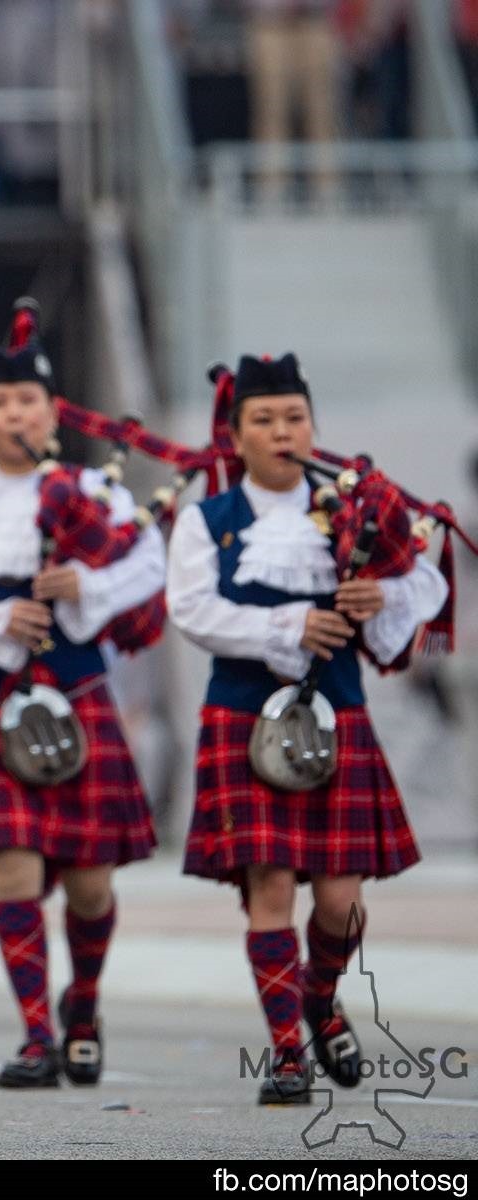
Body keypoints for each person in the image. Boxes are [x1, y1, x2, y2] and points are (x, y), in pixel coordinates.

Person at [165, 353, 448, 1105]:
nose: (281, 431)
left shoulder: (354, 511)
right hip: (241, 719)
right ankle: (287, 1052)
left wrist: (374, 598)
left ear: (313, 427)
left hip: (337, 719)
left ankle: (318, 999)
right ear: (236, 434)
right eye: (263, 419)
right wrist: (293, 621)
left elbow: (413, 603)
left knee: (340, 901)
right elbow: (193, 611)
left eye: (294, 418)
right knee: (271, 889)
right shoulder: (208, 520)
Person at [0, 313, 162, 1089]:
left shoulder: (92, 491)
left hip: (77, 689)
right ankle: (35, 1036)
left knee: (91, 882)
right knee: (17, 870)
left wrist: (85, 586)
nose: (15, 414)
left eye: (29, 400)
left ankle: (82, 1008)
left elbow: (151, 564)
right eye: (0, 402)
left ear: (53, 412)